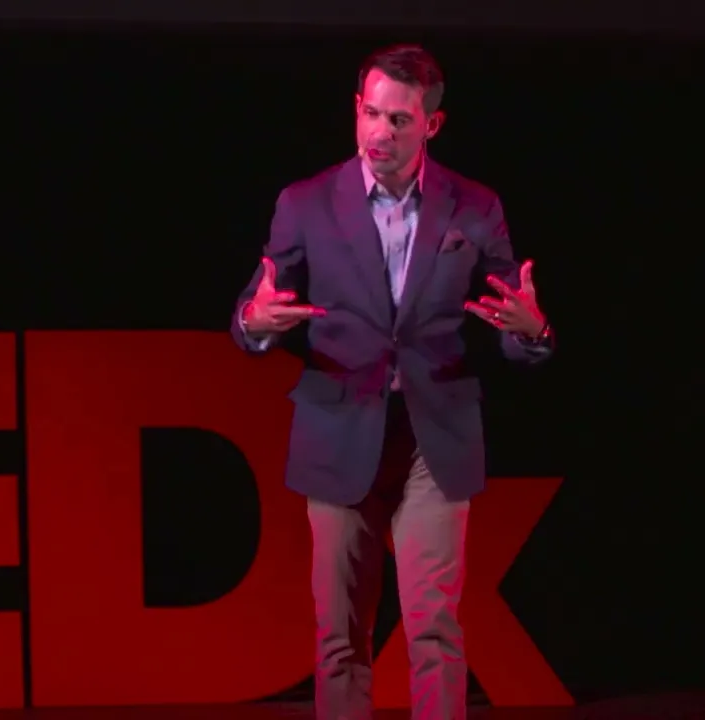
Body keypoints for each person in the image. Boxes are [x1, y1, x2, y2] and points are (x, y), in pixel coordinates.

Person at [230, 44, 554, 720]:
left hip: (434, 437)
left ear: (431, 124)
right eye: (370, 114)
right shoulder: (306, 203)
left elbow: (510, 320)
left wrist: (530, 330)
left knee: (434, 629)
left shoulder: (475, 206)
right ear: (357, 109)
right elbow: (256, 307)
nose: (380, 132)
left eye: (399, 120)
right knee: (339, 638)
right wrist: (255, 323)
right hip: (339, 429)